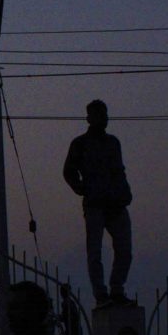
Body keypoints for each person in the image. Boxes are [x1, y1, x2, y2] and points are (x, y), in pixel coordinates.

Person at [62, 99, 134, 306]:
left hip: (117, 203)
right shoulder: (80, 144)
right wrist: (82, 188)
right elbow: (68, 171)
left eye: (105, 114)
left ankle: (117, 288)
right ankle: (101, 294)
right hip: (95, 204)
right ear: (90, 118)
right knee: (95, 252)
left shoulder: (113, 142)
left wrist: (125, 193)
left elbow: (119, 171)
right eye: (99, 114)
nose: (104, 118)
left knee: (125, 250)